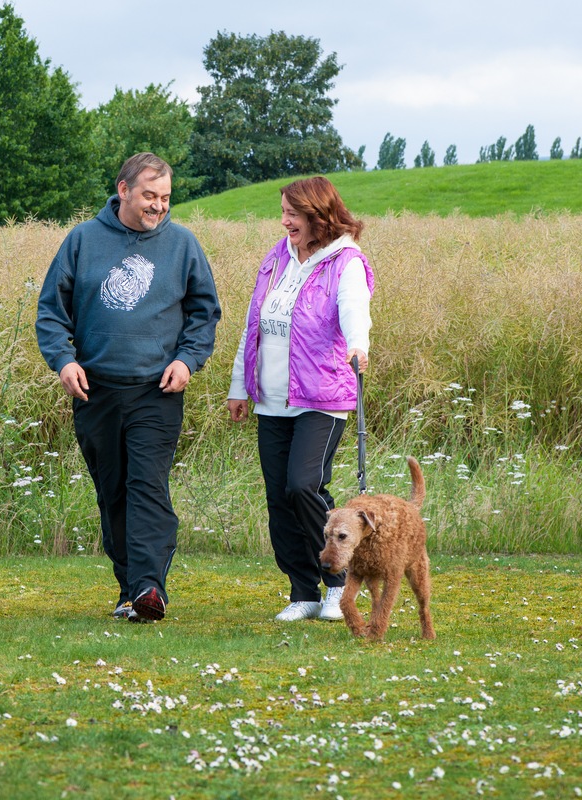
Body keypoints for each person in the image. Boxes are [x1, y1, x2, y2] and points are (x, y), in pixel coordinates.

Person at [36, 152, 220, 623]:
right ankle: (129, 588)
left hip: (157, 390)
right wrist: (63, 361)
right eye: (149, 196)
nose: (158, 206)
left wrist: (187, 360)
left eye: (165, 198)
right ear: (123, 190)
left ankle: (149, 588)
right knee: (114, 492)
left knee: (148, 487)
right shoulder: (82, 240)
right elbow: (52, 313)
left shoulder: (183, 245)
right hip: (95, 391)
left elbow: (204, 313)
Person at [226, 176, 374, 622]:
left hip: (322, 396)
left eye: (293, 212)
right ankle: (302, 593)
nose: (285, 220)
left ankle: (337, 583)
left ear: (318, 215)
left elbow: (354, 308)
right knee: (278, 496)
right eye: (284, 211)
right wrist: (240, 386)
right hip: (271, 397)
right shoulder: (277, 258)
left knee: (303, 485)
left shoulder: (344, 261)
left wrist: (358, 344)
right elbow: (254, 325)